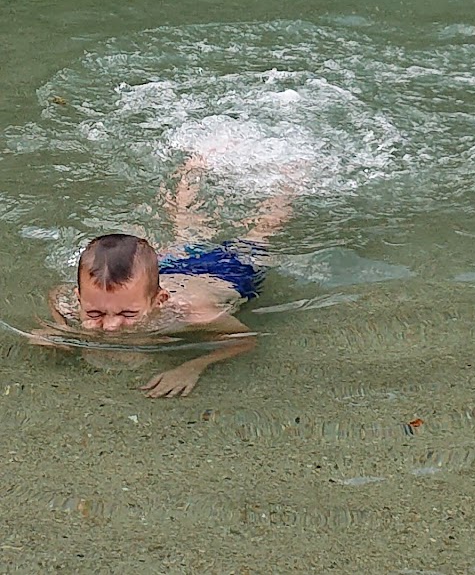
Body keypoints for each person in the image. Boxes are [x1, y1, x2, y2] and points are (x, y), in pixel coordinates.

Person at [46, 157, 292, 398]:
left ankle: (290, 181)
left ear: (160, 299)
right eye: (95, 313)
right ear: (79, 298)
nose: (110, 326)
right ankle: (195, 163)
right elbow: (56, 294)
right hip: (172, 266)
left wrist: (192, 366)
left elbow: (244, 339)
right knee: (183, 227)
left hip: (227, 271)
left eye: (128, 314)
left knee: (261, 231)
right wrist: (58, 328)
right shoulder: (74, 300)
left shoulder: (194, 313)